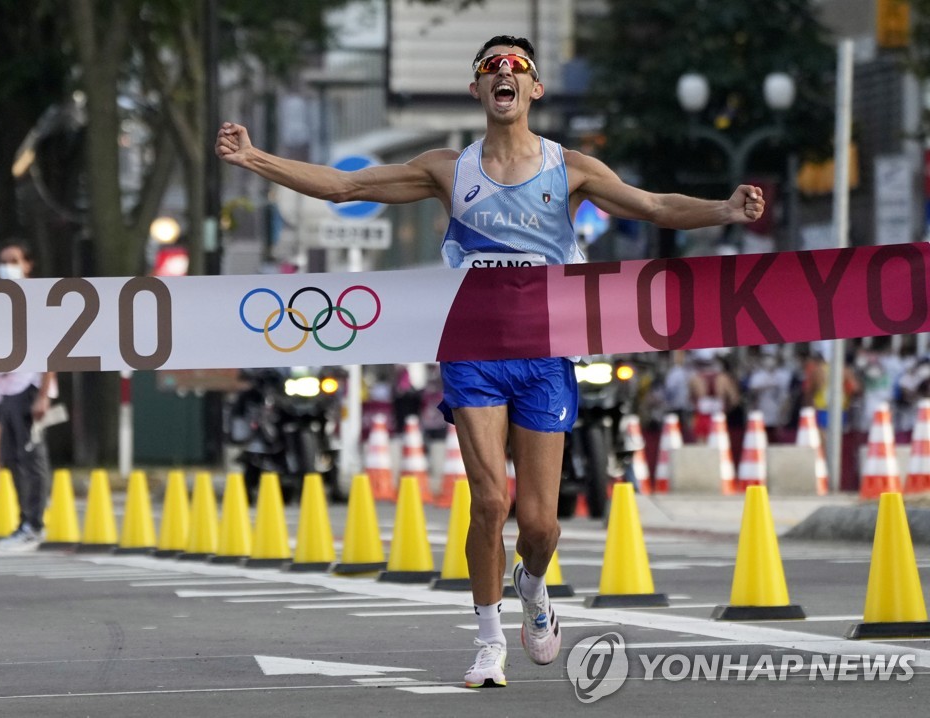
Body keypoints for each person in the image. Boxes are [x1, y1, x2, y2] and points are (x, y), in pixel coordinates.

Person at [215, 34, 765, 688]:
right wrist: (253, 158)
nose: (504, 72)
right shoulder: (449, 170)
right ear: (478, 90)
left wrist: (725, 210)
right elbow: (344, 184)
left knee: (540, 523)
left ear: (533, 90)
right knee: (487, 503)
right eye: (490, 67)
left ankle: (532, 587)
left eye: (517, 66)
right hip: (472, 351)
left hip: (545, 354)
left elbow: (651, 207)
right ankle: (486, 642)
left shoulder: (573, 170)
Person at [0, 242, 56, 551]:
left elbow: (53, 349)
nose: (8, 267)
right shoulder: (1, 300)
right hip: (7, 388)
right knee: (12, 459)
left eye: (14, 261)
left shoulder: (38, 299)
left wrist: (43, 394)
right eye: (3, 262)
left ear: (28, 264)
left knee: (32, 458)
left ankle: (36, 523)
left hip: (30, 386)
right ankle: (24, 521)